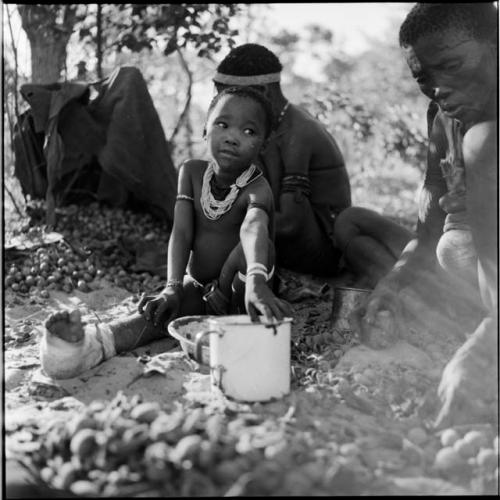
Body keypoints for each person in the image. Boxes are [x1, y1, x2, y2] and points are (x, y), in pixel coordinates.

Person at [39, 86, 292, 381]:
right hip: (199, 289)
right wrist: (172, 286)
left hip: (243, 291)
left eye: (249, 131)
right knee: (158, 312)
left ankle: (242, 332)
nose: (233, 136)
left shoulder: (257, 188)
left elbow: (253, 227)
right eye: (222, 124)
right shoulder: (192, 173)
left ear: (262, 145)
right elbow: (181, 232)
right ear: (205, 130)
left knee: (253, 252)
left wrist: (257, 283)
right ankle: (91, 347)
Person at [337, 3, 498, 429]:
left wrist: (484, 350)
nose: (439, 89)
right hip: (466, 269)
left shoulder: (485, 139)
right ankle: (444, 304)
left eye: (452, 65)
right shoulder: (444, 117)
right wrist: (390, 285)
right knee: (352, 226)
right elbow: (428, 231)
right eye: (424, 78)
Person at [213, 43, 352, 276]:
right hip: (280, 236)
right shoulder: (262, 127)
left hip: (321, 251)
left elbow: (290, 224)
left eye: (233, 97)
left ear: (263, 92)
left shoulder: (298, 132)